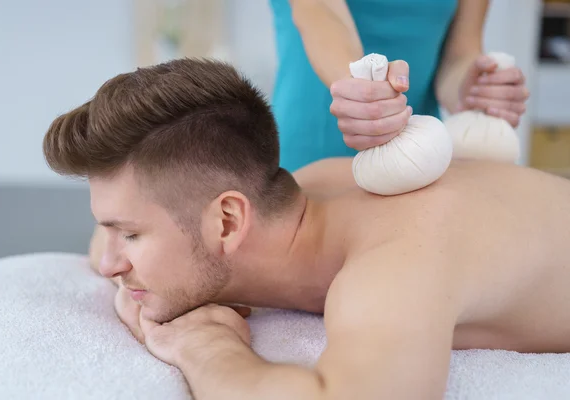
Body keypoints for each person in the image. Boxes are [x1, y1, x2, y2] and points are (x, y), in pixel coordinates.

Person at [43, 59, 569, 399]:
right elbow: (101, 246)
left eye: (130, 236)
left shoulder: (395, 265)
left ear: (228, 220)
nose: (110, 263)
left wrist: (205, 346)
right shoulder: (306, 189)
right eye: (117, 231)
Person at [270, 0, 530, 171]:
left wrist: (471, 88)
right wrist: (361, 87)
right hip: (313, 144)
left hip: (419, 158)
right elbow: (322, 15)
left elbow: (459, 55)